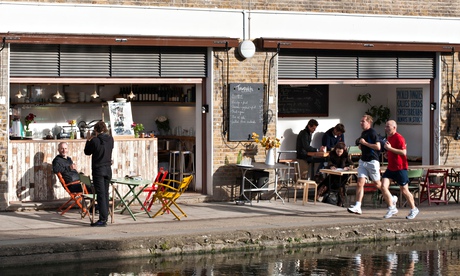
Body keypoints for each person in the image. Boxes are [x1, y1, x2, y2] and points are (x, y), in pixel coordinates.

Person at [348, 115, 392, 215]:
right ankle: (358, 206)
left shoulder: (372, 133)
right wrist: (361, 146)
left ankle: (390, 197)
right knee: (360, 182)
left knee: (377, 184)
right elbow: (364, 144)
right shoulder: (364, 133)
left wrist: (365, 143)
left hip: (372, 161)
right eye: (360, 121)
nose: (361, 123)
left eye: (363, 121)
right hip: (363, 161)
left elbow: (378, 146)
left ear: (369, 122)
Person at [381, 120, 419, 219]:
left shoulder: (399, 138)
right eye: (385, 126)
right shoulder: (389, 138)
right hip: (391, 168)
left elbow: (403, 152)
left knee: (404, 190)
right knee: (383, 186)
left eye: (388, 126)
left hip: (400, 168)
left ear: (394, 127)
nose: (386, 128)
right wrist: (387, 154)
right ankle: (391, 206)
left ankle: (414, 209)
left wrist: (390, 149)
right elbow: (392, 151)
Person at [84, 121, 114, 227]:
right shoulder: (111, 139)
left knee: (100, 195)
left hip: (98, 170)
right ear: (105, 129)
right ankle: (105, 217)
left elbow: (87, 152)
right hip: (108, 170)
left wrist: (88, 140)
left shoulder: (95, 141)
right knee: (105, 194)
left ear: (95, 130)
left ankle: (103, 219)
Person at [317, 142, 353, 206]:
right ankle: (318, 195)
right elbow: (329, 162)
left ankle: (340, 201)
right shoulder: (332, 154)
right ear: (335, 150)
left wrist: (347, 167)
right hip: (334, 174)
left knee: (340, 185)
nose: (339, 153)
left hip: (342, 175)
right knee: (327, 181)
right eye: (338, 151)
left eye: (340, 152)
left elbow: (351, 164)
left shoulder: (345, 155)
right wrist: (331, 166)